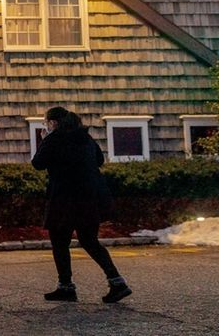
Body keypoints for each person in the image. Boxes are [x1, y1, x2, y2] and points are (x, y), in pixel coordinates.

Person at [32, 106, 132, 303]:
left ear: (53, 123)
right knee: (90, 240)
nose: (46, 126)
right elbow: (100, 160)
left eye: (46, 122)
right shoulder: (85, 137)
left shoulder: (54, 139)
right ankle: (117, 281)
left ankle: (66, 287)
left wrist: (45, 140)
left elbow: (38, 163)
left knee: (60, 243)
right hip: (89, 197)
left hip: (64, 199)